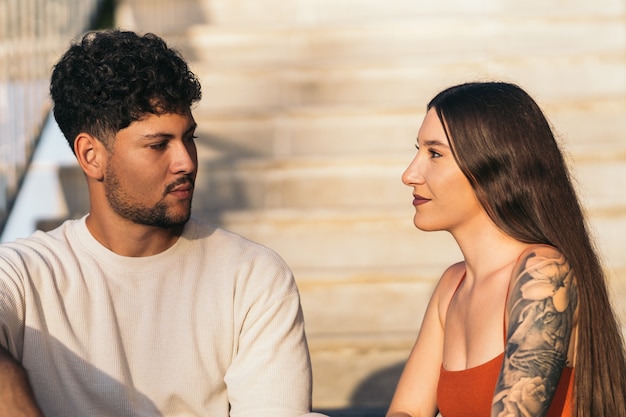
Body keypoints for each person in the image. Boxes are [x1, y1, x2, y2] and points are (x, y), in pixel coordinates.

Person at [0, 29, 312, 417]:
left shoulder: (251, 277)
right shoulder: (23, 275)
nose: (186, 162)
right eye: (158, 144)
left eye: (189, 138)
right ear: (90, 155)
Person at [386, 81, 626, 417]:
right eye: (418, 151)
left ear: (494, 168)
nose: (410, 174)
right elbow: (407, 411)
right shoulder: (452, 285)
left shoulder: (543, 272)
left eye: (435, 154)